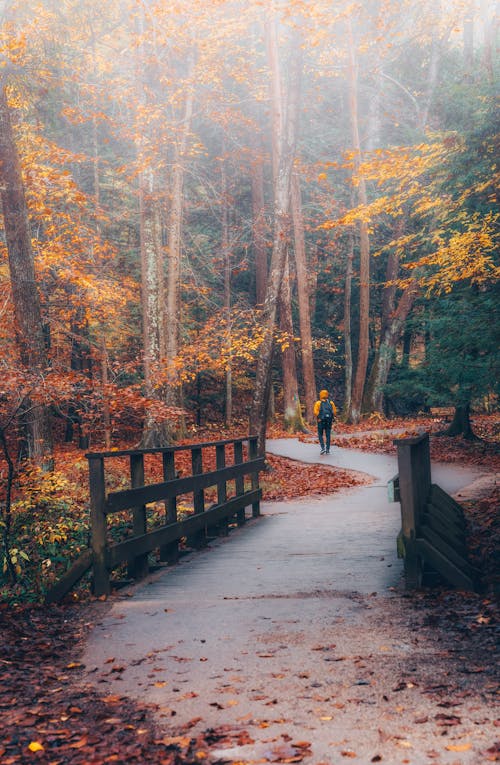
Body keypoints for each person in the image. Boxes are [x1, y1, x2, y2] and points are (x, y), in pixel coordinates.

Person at [313, 389, 337, 455]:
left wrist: (320, 416)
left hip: (320, 421)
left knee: (320, 434)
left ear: (320, 395)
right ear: (327, 395)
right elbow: (334, 412)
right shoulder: (331, 403)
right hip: (328, 421)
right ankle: (328, 449)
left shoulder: (318, 403)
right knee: (328, 435)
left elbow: (315, 412)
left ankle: (323, 448)